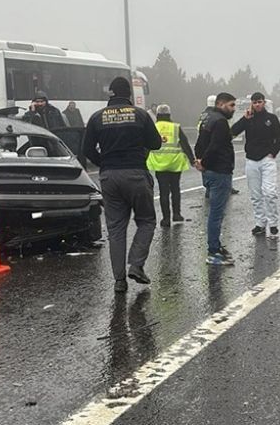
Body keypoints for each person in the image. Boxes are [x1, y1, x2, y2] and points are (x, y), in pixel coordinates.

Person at [83, 77, 162, 293]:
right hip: (136, 173)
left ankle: (119, 281)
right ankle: (136, 264)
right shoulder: (140, 115)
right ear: (128, 94)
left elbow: (87, 149)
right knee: (146, 220)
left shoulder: (97, 117)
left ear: (110, 93)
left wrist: (105, 163)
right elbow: (155, 143)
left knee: (116, 228)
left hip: (109, 176)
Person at [231, 92, 280, 238]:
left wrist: (273, 152)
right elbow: (233, 132)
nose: (257, 105)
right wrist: (244, 118)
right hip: (251, 161)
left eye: (259, 102)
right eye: (254, 102)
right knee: (256, 195)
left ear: (264, 102)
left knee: (269, 192)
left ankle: (273, 224)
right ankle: (260, 223)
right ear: (251, 104)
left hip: (267, 160)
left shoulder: (271, 119)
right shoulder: (248, 119)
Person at [194, 93, 238, 265]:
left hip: (210, 171)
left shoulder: (207, 117)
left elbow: (200, 143)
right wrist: (204, 162)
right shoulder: (220, 121)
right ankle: (213, 251)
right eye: (231, 105)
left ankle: (216, 246)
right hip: (220, 171)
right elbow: (216, 146)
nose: (234, 109)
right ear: (221, 104)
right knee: (216, 214)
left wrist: (200, 161)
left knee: (216, 212)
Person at [147, 104, 196, 228]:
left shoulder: (153, 127)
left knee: (164, 191)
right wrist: (192, 160)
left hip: (159, 164)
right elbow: (185, 144)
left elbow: (145, 145)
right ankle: (177, 214)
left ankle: (166, 219)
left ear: (157, 115)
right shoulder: (175, 127)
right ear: (169, 115)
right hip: (175, 163)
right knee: (175, 189)